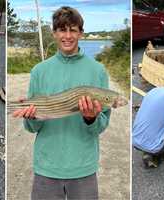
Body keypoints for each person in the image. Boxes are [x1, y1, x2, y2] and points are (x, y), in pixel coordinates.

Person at [12, 6, 111, 200]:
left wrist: (91, 120)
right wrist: (32, 117)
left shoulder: (98, 71)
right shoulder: (39, 71)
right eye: (62, 30)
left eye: (73, 30)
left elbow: (101, 126)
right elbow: (31, 127)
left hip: (83, 167)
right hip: (46, 167)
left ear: (81, 33)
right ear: (54, 33)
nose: (67, 36)